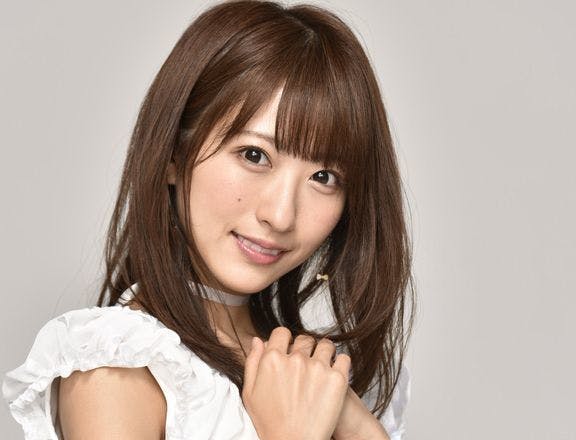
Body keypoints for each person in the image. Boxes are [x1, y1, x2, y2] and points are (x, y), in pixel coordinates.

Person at [2, 1, 416, 439]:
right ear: (173, 154)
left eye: (323, 177)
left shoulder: (322, 378)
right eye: (254, 155)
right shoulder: (116, 369)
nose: (280, 215)